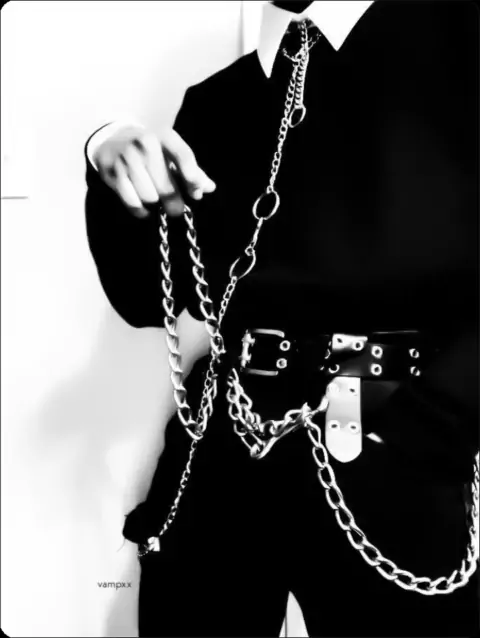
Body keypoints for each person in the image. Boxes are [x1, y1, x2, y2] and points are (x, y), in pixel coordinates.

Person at [84, 1, 479, 636]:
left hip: (399, 426)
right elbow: (146, 297)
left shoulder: (457, 43)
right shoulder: (217, 101)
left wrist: (440, 418)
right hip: (226, 433)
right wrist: (107, 151)